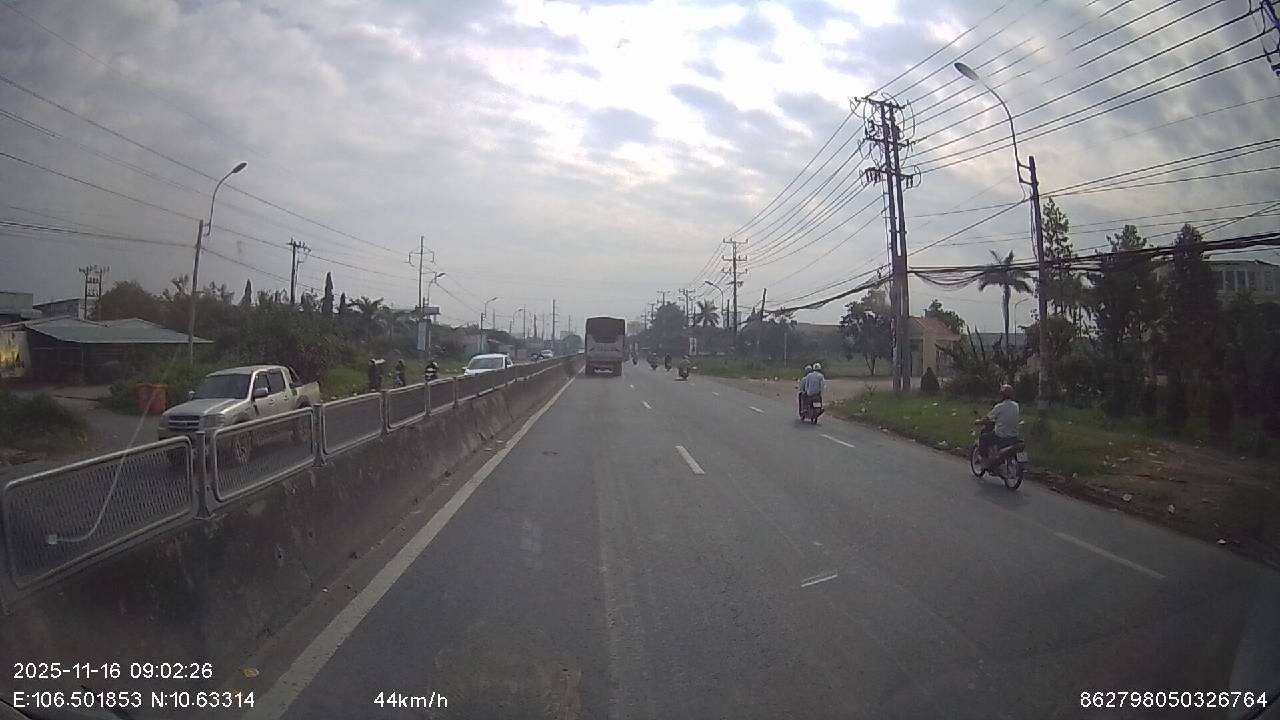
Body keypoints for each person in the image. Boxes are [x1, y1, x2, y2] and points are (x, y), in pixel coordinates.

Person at [977, 384, 1021, 469]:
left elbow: (988, 418)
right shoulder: (1016, 405)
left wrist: (979, 421)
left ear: (1002, 395)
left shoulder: (999, 406)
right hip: (1014, 436)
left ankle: (985, 461)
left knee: (983, 438)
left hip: (1001, 435)